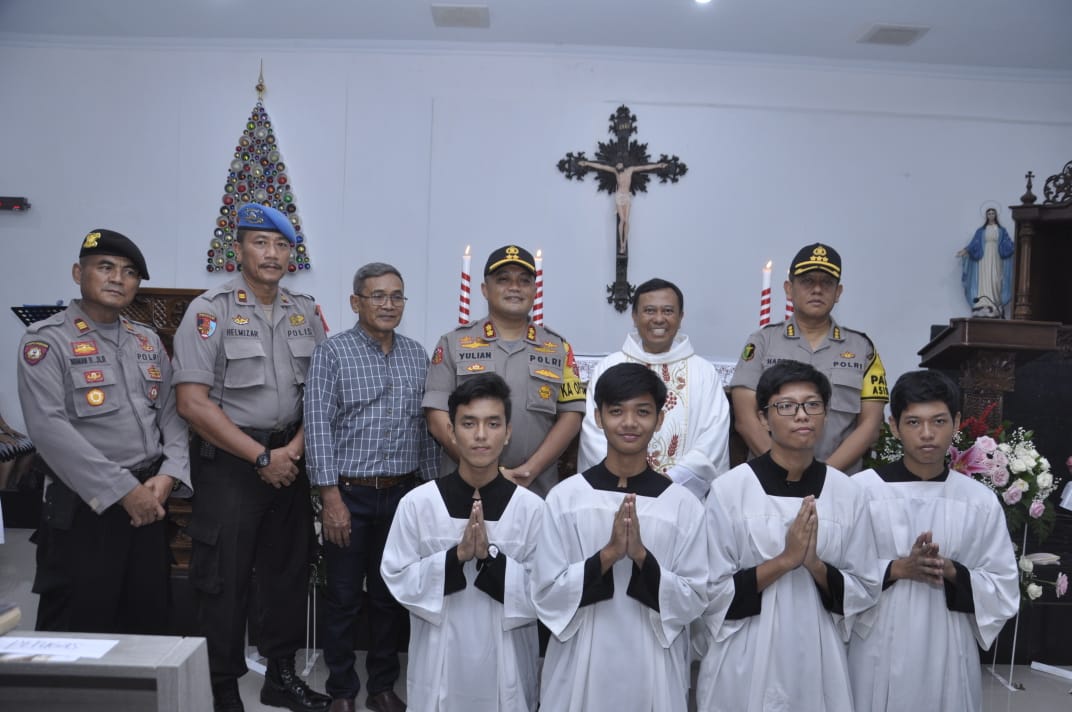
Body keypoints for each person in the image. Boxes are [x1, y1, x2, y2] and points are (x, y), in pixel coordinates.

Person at [172, 204, 329, 712]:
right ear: (238, 250)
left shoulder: (305, 311)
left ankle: (281, 676)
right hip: (232, 464)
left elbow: (321, 394)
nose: (272, 253)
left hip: (291, 458)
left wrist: (292, 451)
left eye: (281, 245)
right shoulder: (209, 311)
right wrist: (262, 458)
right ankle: (220, 687)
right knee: (223, 579)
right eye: (261, 243)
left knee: (287, 573)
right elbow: (191, 403)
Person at [17, 229, 190, 634]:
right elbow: (48, 429)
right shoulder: (47, 342)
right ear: (79, 273)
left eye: (129, 272)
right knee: (79, 629)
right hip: (83, 507)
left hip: (149, 501)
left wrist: (169, 473)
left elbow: (172, 415)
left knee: (147, 624)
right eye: (105, 267)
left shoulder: (146, 341)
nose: (117, 279)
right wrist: (124, 491)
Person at [697, 361, 880, 712]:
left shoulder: (846, 493)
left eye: (812, 405)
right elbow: (709, 591)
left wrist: (814, 565)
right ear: (763, 418)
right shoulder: (730, 490)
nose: (801, 415)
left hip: (818, 656)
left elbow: (865, 588)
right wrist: (785, 561)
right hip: (745, 652)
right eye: (786, 406)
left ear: (825, 415)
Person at [532, 363, 707, 712]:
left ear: (659, 419)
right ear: (598, 418)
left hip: (653, 663)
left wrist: (642, 557)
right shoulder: (566, 498)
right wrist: (607, 556)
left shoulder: (682, 505)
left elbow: (695, 598)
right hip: (581, 661)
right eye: (616, 412)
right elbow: (545, 593)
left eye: (642, 412)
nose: (629, 423)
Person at [304, 262, 438, 712]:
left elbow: (426, 430)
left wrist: (433, 494)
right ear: (355, 302)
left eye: (396, 296)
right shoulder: (333, 353)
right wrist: (330, 497)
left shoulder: (417, 355)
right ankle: (342, 690)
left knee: (389, 597)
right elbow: (317, 427)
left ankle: (382, 687)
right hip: (349, 494)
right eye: (377, 295)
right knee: (343, 597)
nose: (388, 304)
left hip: (402, 495)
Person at [848, 370, 1018, 712]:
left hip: (949, 642)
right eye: (914, 422)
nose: (927, 434)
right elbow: (835, 574)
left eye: (938, 421)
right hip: (877, 642)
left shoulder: (978, 500)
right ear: (894, 426)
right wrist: (897, 569)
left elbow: (1003, 585)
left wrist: (953, 570)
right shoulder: (860, 492)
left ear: (956, 423)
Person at [381, 374, 543, 712]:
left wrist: (490, 560)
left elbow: (547, 590)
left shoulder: (532, 510)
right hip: (438, 662)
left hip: (508, 666)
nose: (481, 435)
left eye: (493, 423)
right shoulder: (419, 504)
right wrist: (456, 557)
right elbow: (397, 576)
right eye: (469, 423)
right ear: (452, 432)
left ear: (508, 432)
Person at [423, 244, 585, 498]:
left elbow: (571, 415)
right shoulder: (453, 343)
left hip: (534, 489)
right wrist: (484, 471)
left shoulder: (558, 347)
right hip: (465, 489)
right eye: (503, 280)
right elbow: (436, 417)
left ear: (534, 290)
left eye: (524, 281)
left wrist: (531, 469)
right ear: (484, 290)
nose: (514, 287)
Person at [731, 242, 887, 474]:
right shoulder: (762, 342)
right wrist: (783, 472)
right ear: (789, 289)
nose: (817, 290)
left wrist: (822, 477)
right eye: (807, 281)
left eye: (827, 283)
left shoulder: (862, 348)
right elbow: (745, 419)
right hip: (768, 481)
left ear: (838, 292)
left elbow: (870, 426)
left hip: (839, 481)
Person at [579, 278, 730, 499]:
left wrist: (669, 482)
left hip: (680, 495)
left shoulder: (704, 372)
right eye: (649, 310)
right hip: (615, 492)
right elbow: (595, 431)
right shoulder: (609, 366)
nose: (659, 319)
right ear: (634, 316)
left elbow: (714, 437)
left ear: (681, 317)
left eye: (668, 311)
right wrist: (626, 477)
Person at [577, 159, 667, 254]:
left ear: (623, 164)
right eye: (616, 165)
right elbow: (602, 166)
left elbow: (644, 167)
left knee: (627, 221)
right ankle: (621, 243)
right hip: (619, 197)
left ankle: (624, 242)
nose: (618, 166)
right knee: (622, 220)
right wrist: (587, 163)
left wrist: (658, 165)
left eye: (619, 164)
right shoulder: (615, 171)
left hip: (627, 196)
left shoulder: (630, 170)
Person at [957, 206, 1014, 317]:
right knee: (984, 277)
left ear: (995, 215)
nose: (991, 215)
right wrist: (965, 251)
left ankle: (995, 302)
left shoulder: (1002, 230)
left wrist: (1016, 247)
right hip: (984, 257)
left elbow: (1008, 244)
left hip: (996, 256)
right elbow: (974, 244)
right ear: (986, 216)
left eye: (993, 213)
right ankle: (983, 302)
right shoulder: (981, 231)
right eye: (989, 213)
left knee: (995, 278)